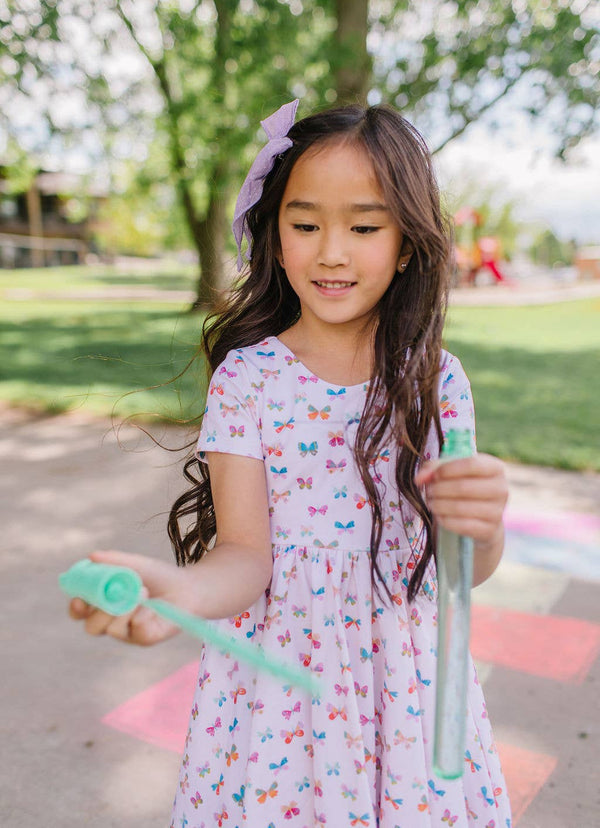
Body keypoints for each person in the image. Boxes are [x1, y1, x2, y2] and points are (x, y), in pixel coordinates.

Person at [69, 100, 512, 827]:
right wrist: (178, 593)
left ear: (406, 244)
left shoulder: (435, 379)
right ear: (274, 237)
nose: (331, 251)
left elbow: (462, 565)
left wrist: (486, 529)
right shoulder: (249, 380)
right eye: (305, 225)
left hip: (404, 690)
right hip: (280, 698)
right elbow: (245, 554)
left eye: (364, 227)